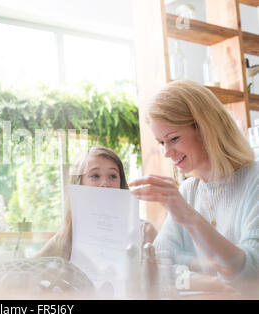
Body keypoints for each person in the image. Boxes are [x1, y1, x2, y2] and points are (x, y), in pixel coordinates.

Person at [129, 80, 258, 290]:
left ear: (204, 128)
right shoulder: (188, 191)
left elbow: (251, 277)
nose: (166, 152)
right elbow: (159, 267)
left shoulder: (254, 180)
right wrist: (212, 284)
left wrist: (190, 218)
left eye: (173, 138)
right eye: (161, 142)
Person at [34, 146, 157, 260]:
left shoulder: (145, 231)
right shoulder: (67, 235)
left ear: (121, 183)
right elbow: (29, 267)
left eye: (113, 176)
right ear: (79, 184)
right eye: (95, 175)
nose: (105, 183)